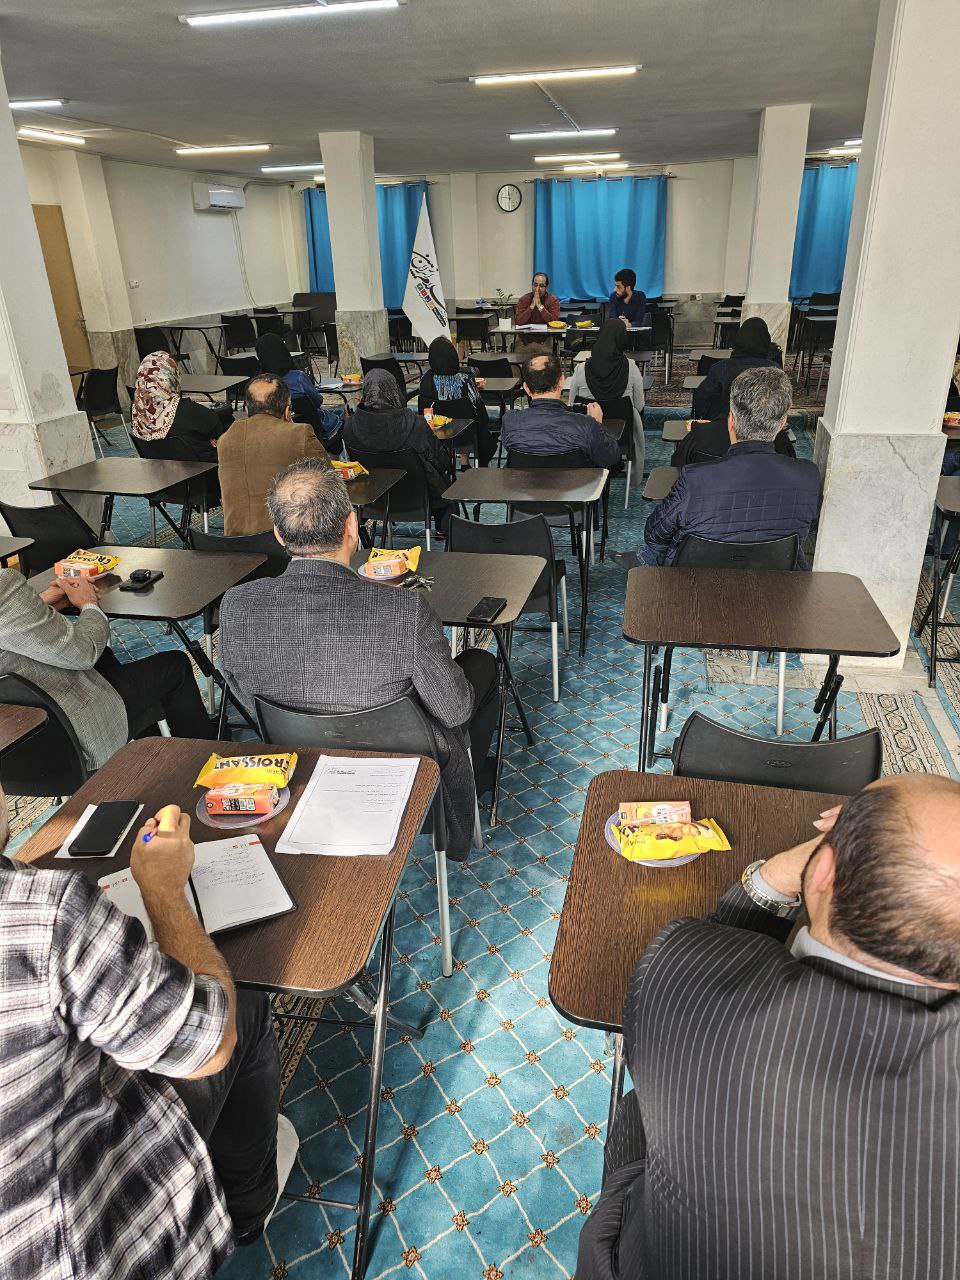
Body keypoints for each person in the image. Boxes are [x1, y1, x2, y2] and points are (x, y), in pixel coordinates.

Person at [576, 773, 960, 1280]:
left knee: (637, 1112)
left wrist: (784, 871)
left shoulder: (677, 971)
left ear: (823, 872)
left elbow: (711, 954)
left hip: (637, 1260)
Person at [1, 793, 295, 1278]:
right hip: (98, 1239)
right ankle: (248, 1209)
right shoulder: (46, 912)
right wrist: (163, 889)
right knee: (244, 1009)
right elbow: (210, 1043)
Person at [218, 457, 498, 860]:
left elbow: (246, 695)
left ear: (278, 534)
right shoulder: (405, 610)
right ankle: (473, 778)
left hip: (298, 764)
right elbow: (454, 711)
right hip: (412, 767)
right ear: (352, 526)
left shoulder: (237, 606)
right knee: (481, 665)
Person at [0, 566, 214, 771]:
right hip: (71, 727)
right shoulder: (4, 584)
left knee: (106, 657)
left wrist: (42, 602)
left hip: (16, 738)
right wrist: (89, 604)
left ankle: (153, 748)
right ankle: (204, 759)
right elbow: (85, 652)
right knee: (175, 665)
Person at [627, 366, 820, 569]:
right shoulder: (808, 476)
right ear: (782, 423)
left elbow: (654, 533)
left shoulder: (695, 480)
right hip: (776, 582)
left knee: (655, 551)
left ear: (731, 420)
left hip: (695, 582)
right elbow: (811, 525)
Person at [217, 373, 330, 536]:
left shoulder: (226, 439)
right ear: (287, 410)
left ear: (247, 409)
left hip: (232, 542)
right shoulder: (300, 434)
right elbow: (329, 481)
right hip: (288, 541)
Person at [344, 368, 453, 531]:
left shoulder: (350, 426)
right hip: (420, 498)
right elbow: (441, 462)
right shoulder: (416, 424)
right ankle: (445, 533)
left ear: (365, 392)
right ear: (395, 391)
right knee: (447, 490)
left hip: (373, 499)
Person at [500, 352, 622, 471]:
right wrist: (597, 424)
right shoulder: (586, 425)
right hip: (576, 485)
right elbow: (610, 458)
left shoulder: (510, 421)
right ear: (561, 381)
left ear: (526, 388)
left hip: (523, 484)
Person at [567, 319, 645, 476]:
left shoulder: (581, 369)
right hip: (623, 435)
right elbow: (639, 405)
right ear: (622, 339)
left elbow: (571, 404)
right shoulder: (631, 367)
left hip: (588, 435)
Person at [132, 350, 231, 464]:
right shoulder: (188, 411)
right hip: (202, 470)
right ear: (171, 377)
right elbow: (217, 429)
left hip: (159, 471)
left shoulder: (136, 411)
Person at [417, 336, 494, 466]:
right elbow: (479, 407)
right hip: (466, 432)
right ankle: (465, 461)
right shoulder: (465, 379)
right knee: (467, 418)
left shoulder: (425, 380)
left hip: (436, 431)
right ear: (453, 356)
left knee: (455, 418)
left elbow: (422, 411)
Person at [254, 332, 343, 443]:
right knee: (340, 413)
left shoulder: (257, 384)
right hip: (312, 430)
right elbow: (318, 401)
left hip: (276, 435)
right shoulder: (298, 377)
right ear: (283, 352)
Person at [691, 316, 781, 420]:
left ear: (739, 339)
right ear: (766, 340)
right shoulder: (774, 369)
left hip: (723, 425)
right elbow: (781, 403)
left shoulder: (719, 368)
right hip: (764, 426)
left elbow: (701, 400)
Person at [669, 412, 796, 467]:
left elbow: (677, 469)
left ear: (731, 419)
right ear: (782, 422)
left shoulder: (697, 437)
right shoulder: (783, 444)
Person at [514, 271, 561, 343]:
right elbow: (518, 322)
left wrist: (540, 307)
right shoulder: (524, 299)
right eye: (535, 285)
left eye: (541, 286)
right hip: (525, 340)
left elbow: (555, 322)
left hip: (545, 339)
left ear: (546, 287)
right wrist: (531, 307)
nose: (537, 289)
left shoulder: (553, 300)